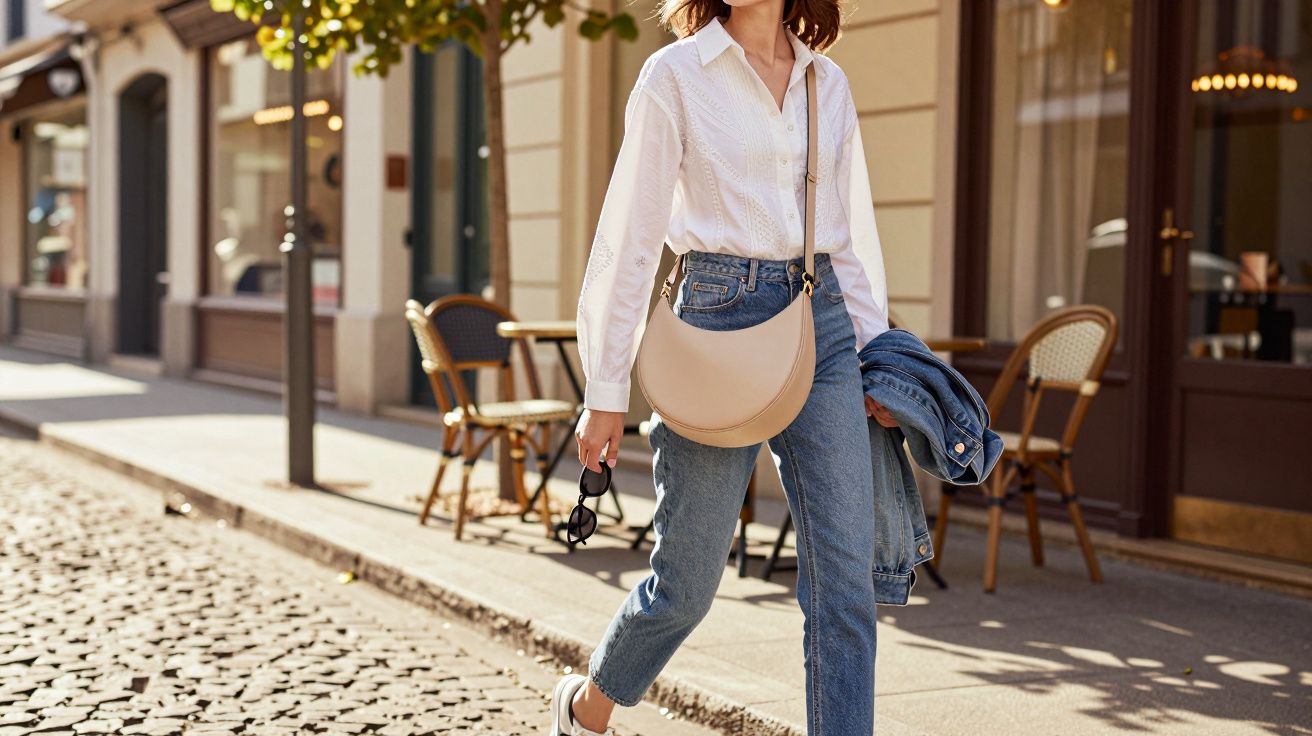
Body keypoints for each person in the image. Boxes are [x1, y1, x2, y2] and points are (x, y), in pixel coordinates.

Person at [552, 0, 894, 732]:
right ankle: (589, 705)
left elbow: (852, 236)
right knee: (687, 582)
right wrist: (605, 388)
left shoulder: (824, 83)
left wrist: (875, 359)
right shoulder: (672, 75)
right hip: (713, 319)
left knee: (845, 588)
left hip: (821, 324)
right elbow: (631, 235)